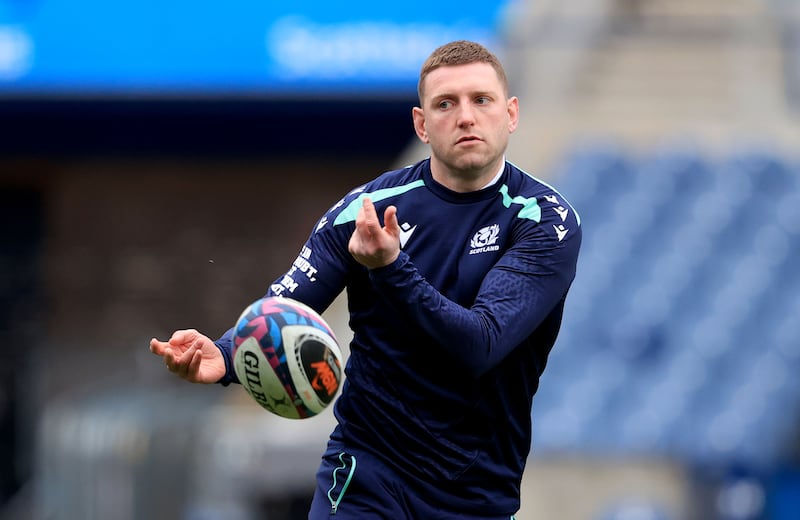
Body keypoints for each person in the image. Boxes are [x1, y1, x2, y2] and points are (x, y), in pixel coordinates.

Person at [150, 40, 581, 519]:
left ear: (511, 113)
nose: (465, 117)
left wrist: (391, 268)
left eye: (481, 100)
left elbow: (480, 345)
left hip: (475, 490)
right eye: (446, 103)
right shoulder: (365, 210)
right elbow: (289, 303)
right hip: (366, 471)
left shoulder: (545, 221)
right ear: (422, 123)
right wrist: (228, 352)